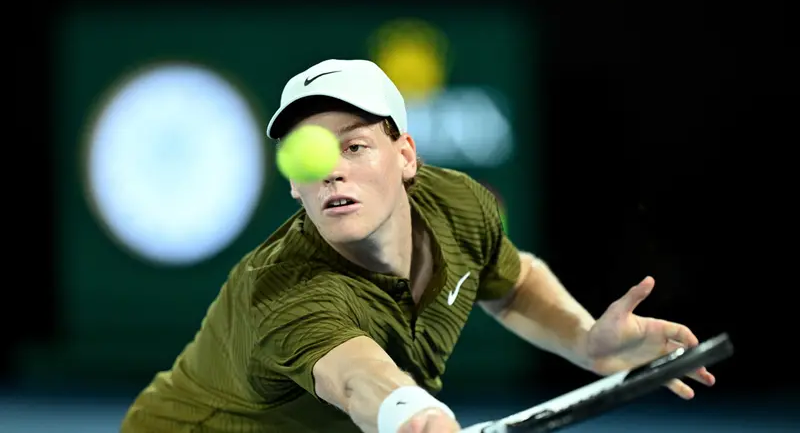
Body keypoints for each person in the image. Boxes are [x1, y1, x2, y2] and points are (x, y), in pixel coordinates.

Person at [120, 59, 717, 433]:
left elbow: (510, 283)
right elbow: (357, 378)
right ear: (295, 185)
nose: (332, 172)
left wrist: (586, 341)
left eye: (354, 146)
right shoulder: (283, 291)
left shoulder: (457, 204)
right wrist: (413, 415)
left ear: (406, 156)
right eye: (311, 157)